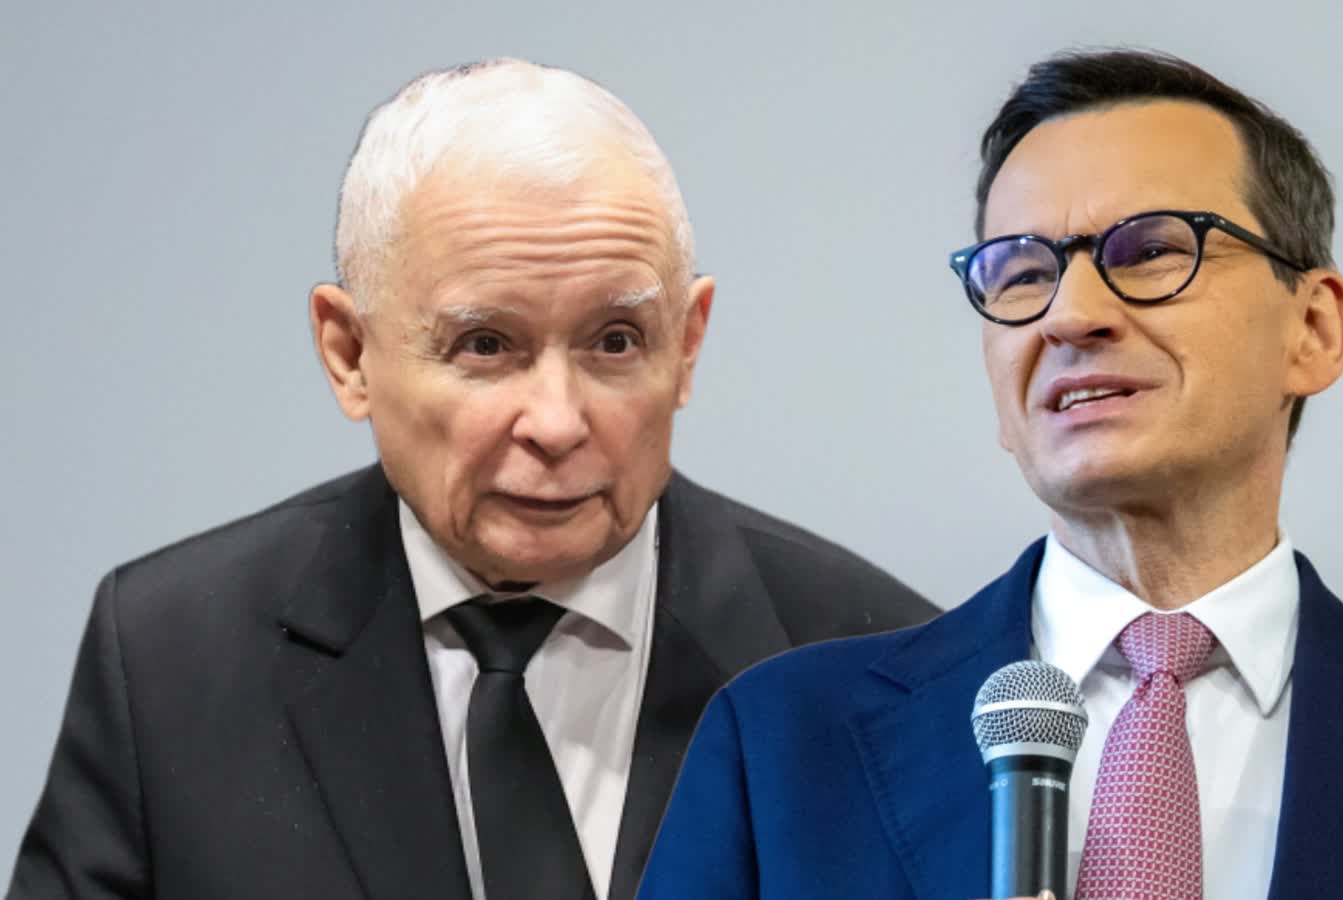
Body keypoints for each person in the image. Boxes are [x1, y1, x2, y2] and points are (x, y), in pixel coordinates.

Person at [637, 49, 1343, 900]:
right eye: (1022, 272)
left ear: (1314, 329)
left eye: (1152, 252)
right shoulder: (780, 747)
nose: (1070, 314)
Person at [7, 59, 934, 900]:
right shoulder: (170, 659)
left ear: (686, 347)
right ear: (349, 354)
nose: (557, 422)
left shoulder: (883, 664)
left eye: (616, 342)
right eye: (485, 345)